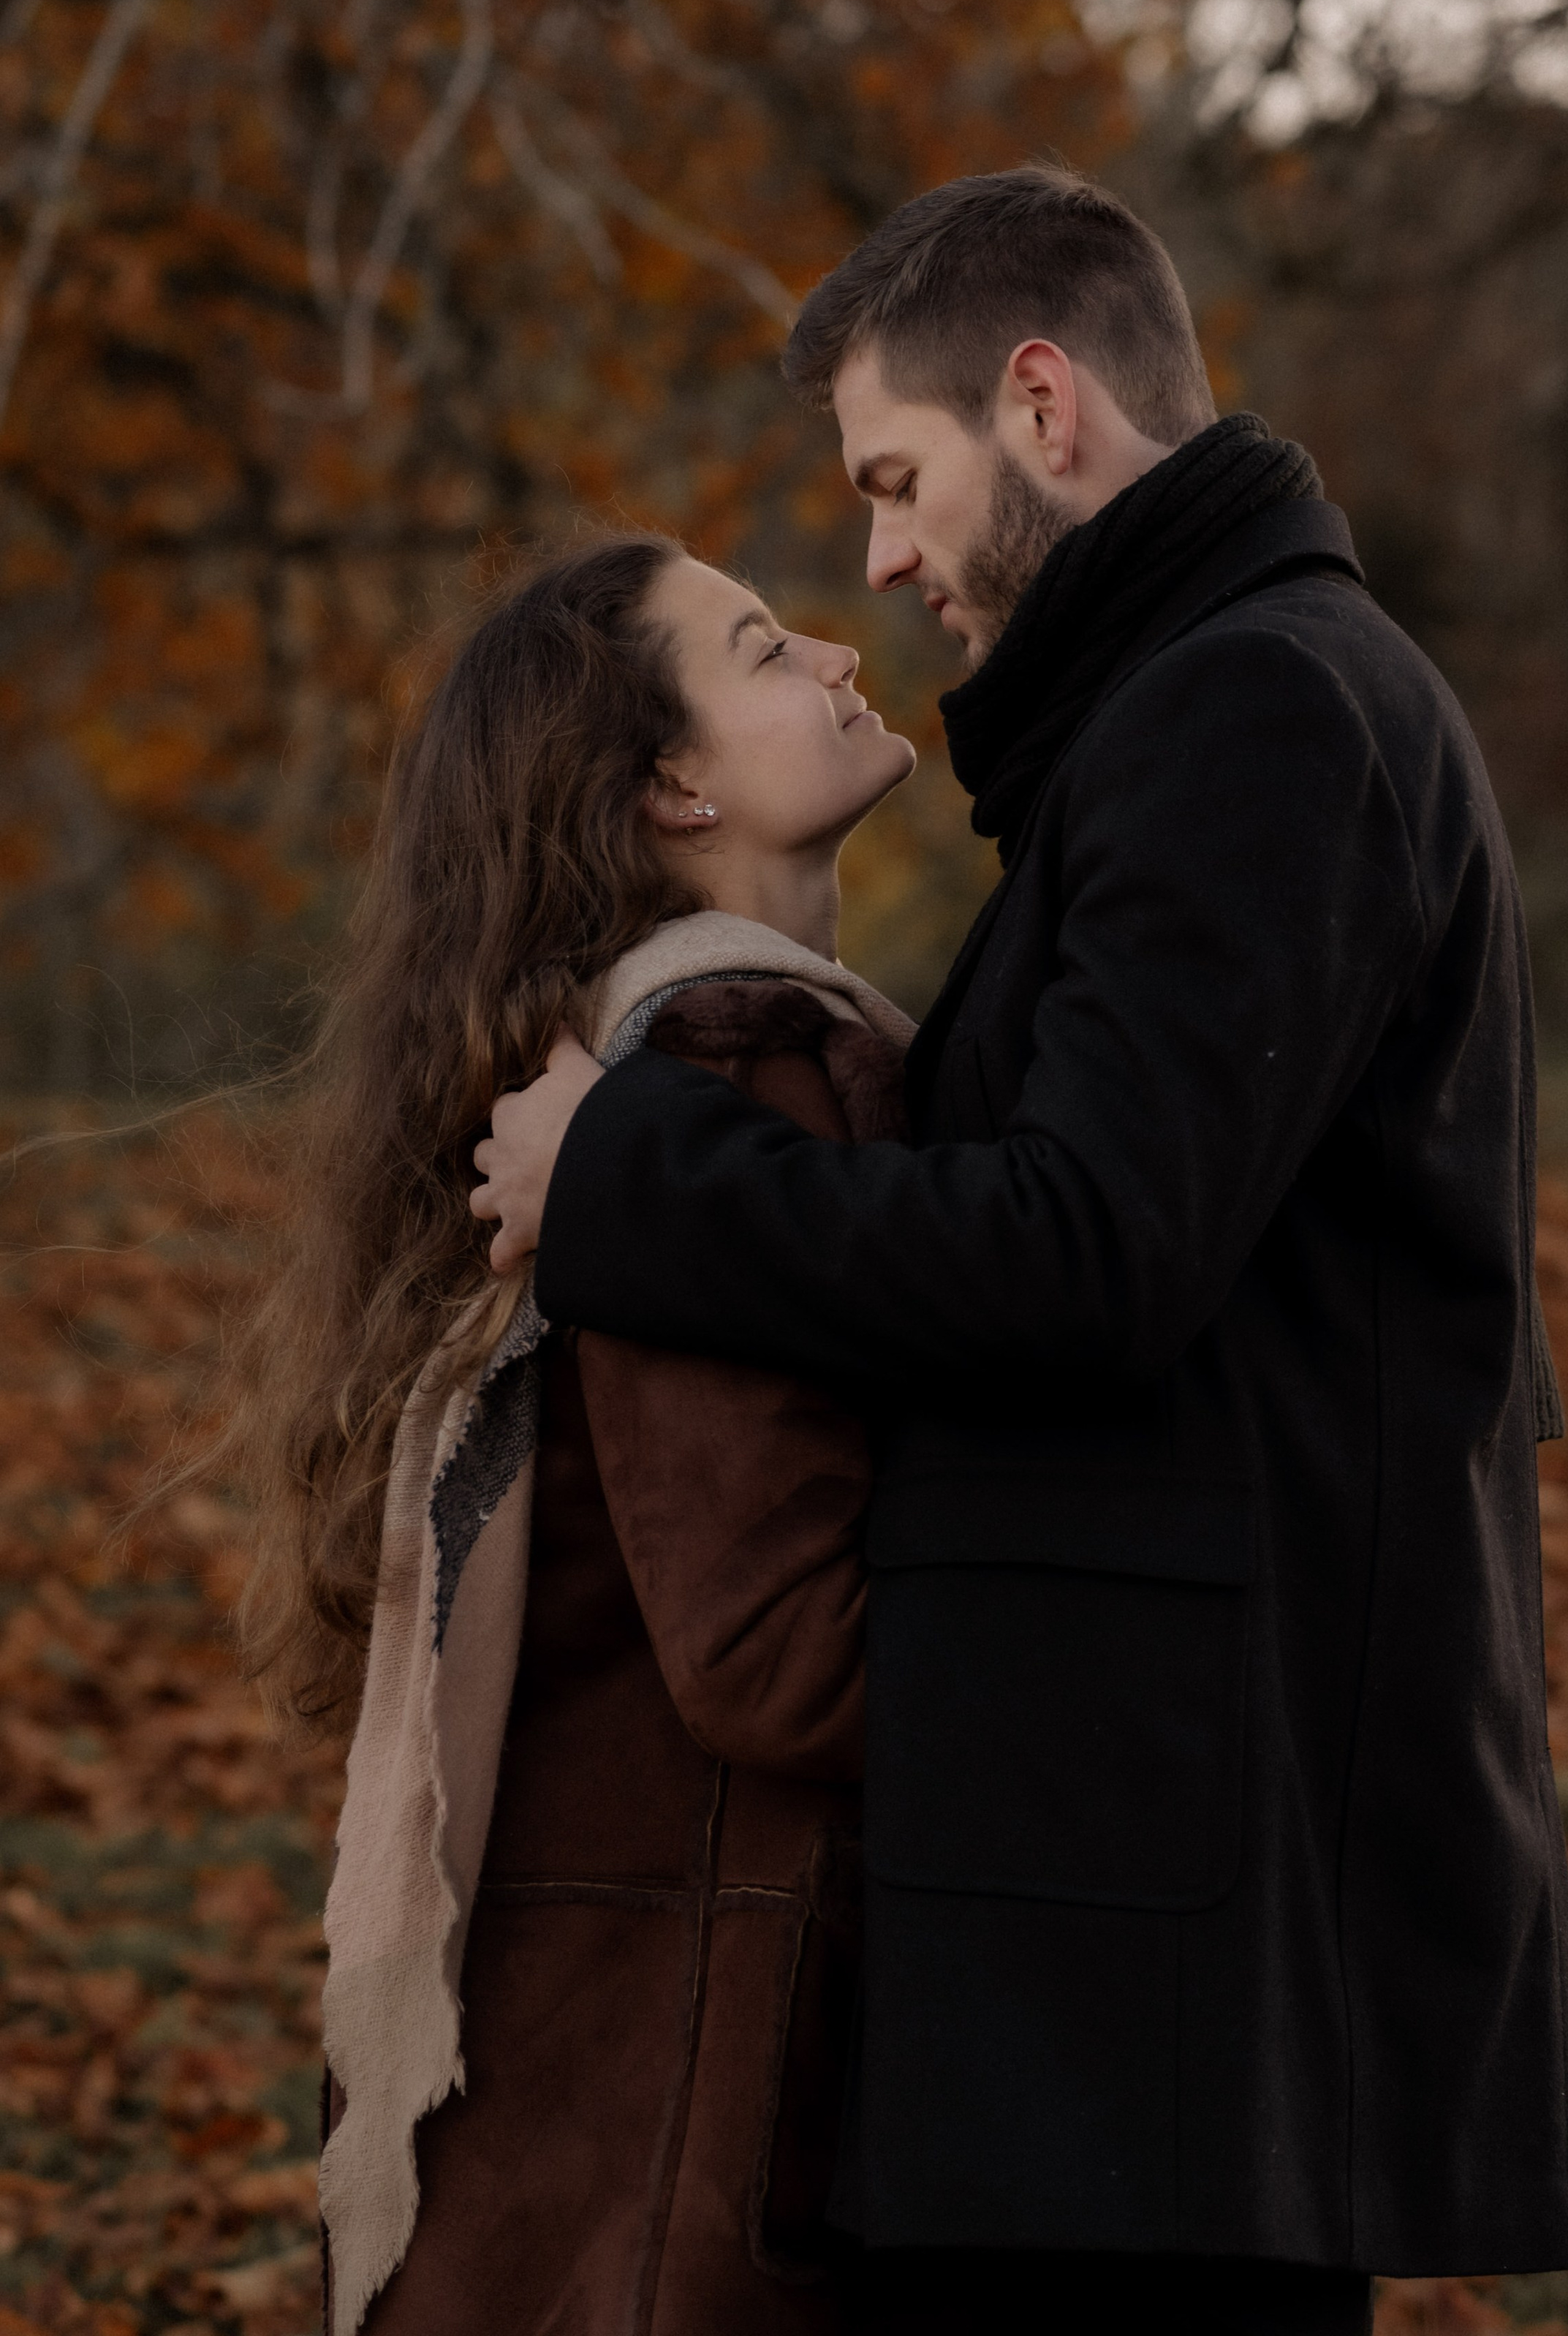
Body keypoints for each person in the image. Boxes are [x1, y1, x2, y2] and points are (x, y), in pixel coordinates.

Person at [472, 166, 1568, 2335]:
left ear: (1044, 403)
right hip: (1153, 1925)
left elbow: (1093, 1249)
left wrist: (622, 1183)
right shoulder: (1206, 710)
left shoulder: (1252, 713)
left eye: (898, 479)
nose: (882, 556)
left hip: (1171, 1941)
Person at [224, 532, 920, 2336]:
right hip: (693, 2095)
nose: (842, 648)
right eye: (768, 648)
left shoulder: (613, 1072)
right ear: (672, 785)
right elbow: (779, 1657)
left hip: (593, 2060)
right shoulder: (720, 1074)